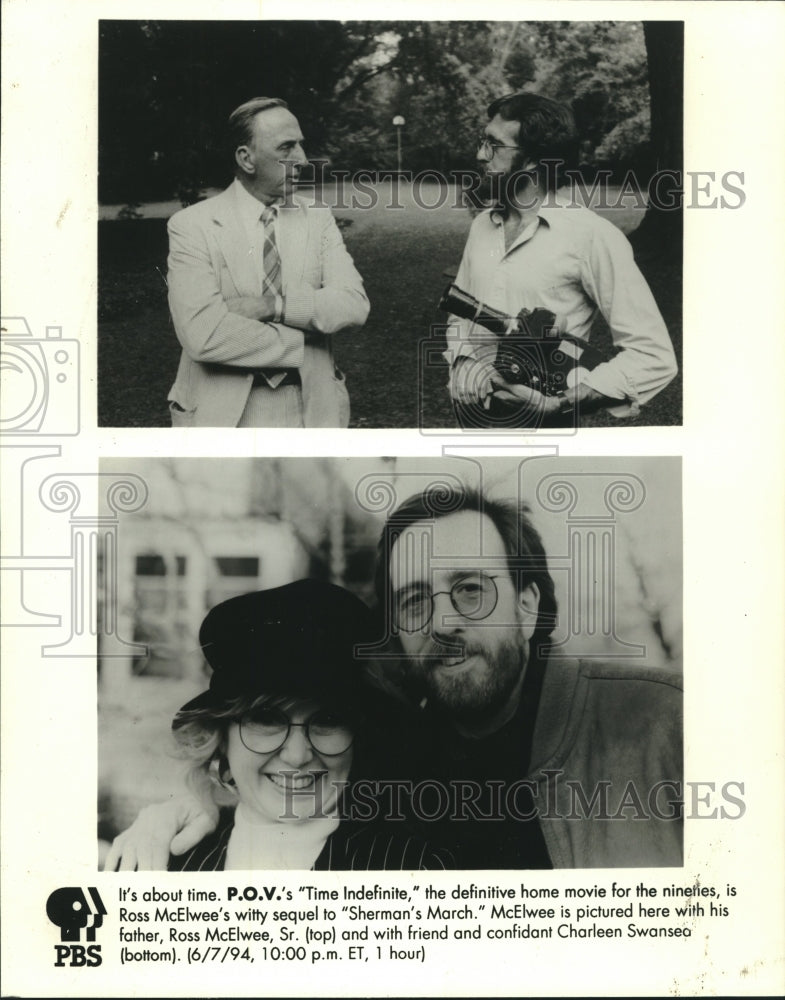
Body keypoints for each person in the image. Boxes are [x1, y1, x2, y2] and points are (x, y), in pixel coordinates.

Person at [106, 485, 682, 870]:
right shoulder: (393, 755)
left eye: (471, 590)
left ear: (528, 606)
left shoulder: (665, 724)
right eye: (414, 601)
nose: (443, 622)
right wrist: (176, 814)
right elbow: (272, 782)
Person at [106, 580, 451, 871]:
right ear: (221, 737)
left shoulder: (413, 869)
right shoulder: (166, 864)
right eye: (267, 719)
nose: (298, 756)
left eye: (327, 720)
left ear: (358, 735)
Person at [446, 92, 678, 428]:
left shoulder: (591, 235)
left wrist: (559, 404)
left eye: (494, 145)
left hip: (546, 435)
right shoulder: (483, 224)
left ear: (532, 161)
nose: (480, 155)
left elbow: (653, 356)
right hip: (472, 427)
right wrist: (462, 360)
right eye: (483, 141)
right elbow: (459, 314)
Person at [166, 97, 369, 428]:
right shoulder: (192, 225)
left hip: (312, 412)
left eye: (300, 145)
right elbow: (203, 336)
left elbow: (354, 305)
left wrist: (272, 306)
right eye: (287, 147)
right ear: (246, 159)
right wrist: (306, 342)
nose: (302, 159)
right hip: (225, 418)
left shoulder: (317, 217)